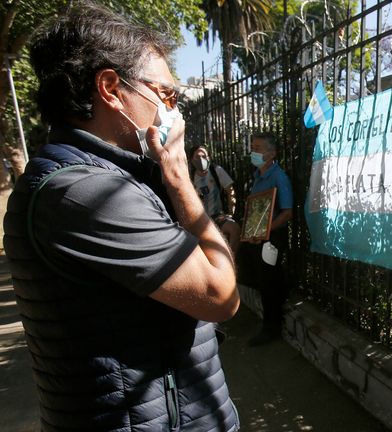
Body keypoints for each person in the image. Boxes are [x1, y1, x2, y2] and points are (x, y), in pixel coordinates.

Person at [3, 3, 240, 430]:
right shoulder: (87, 192)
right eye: (166, 95)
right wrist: (180, 179)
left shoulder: (105, 178)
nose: (173, 110)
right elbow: (220, 296)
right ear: (111, 88)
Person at [238, 132, 293, 345]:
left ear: (272, 154)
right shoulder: (258, 176)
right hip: (257, 237)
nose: (254, 151)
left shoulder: (279, 177)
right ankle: (271, 320)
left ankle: (271, 328)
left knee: (269, 282)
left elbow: (287, 213)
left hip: (272, 239)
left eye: (258, 148)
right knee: (261, 279)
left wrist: (264, 230)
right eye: (253, 147)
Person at [190, 144, 241, 255]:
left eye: (204, 156)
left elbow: (230, 191)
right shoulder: (189, 177)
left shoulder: (216, 171)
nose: (201, 160)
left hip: (217, 216)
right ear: (191, 160)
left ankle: (231, 261)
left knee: (235, 229)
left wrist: (230, 214)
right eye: (197, 157)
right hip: (198, 220)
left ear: (209, 158)